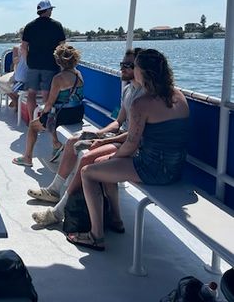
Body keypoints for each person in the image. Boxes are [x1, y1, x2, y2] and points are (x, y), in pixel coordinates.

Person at [67, 49, 189, 251]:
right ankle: (115, 219)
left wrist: (112, 158)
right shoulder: (179, 96)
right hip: (176, 168)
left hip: (153, 168)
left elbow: (131, 144)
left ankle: (95, 236)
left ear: (144, 73)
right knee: (100, 165)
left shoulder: (141, 104)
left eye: (137, 68)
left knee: (88, 173)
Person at [29, 48, 144, 229]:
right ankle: (54, 189)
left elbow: (135, 135)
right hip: (119, 135)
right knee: (74, 140)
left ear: (140, 68)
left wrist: (103, 140)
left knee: (88, 157)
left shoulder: (144, 96)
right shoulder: (129, 89)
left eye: (128, 65)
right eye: (122, 64)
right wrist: (98, 133)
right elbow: (119, 121)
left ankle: (58, 211)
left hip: (131, 142)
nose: (122, 68)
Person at [12, 44, 84, 167]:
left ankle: (27, 157)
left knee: (34, 124)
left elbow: (49, 104)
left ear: (57, 61)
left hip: (63, 115)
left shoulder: (58, 78)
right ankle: (56, 143)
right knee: (48, 118)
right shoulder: (78, 74)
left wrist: (42, 113)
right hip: (77, 113)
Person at [22, 0, 66, 122]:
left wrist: (27, 62)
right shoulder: (56, 25)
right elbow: (62, 46)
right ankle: (44, 121)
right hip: (50, 65)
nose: (51, 11)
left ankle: (32, 121)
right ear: (47, 10)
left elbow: (24, 47)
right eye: (51, 9)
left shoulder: (29, 26)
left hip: (33, 65)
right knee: (46, 94)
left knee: (31, 93)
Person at [0, 28, 28, 109]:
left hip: (19, 74)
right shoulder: (19, 48)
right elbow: (15, 61)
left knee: (0, 83)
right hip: (20, 72)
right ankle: (15, 100)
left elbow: (15, 61)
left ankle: (15, 100)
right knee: (6, 82)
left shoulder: (17, 48)